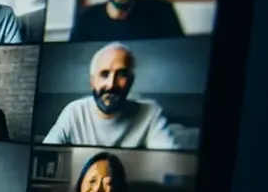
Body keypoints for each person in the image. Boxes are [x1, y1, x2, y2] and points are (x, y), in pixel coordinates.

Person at [41, 42, 177, 148]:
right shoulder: (74, 112)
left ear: (131, 81)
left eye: (121, 74)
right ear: (92, 82)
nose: (111, 84)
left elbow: (170, 162)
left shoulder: (150, 112)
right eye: (104, 74)